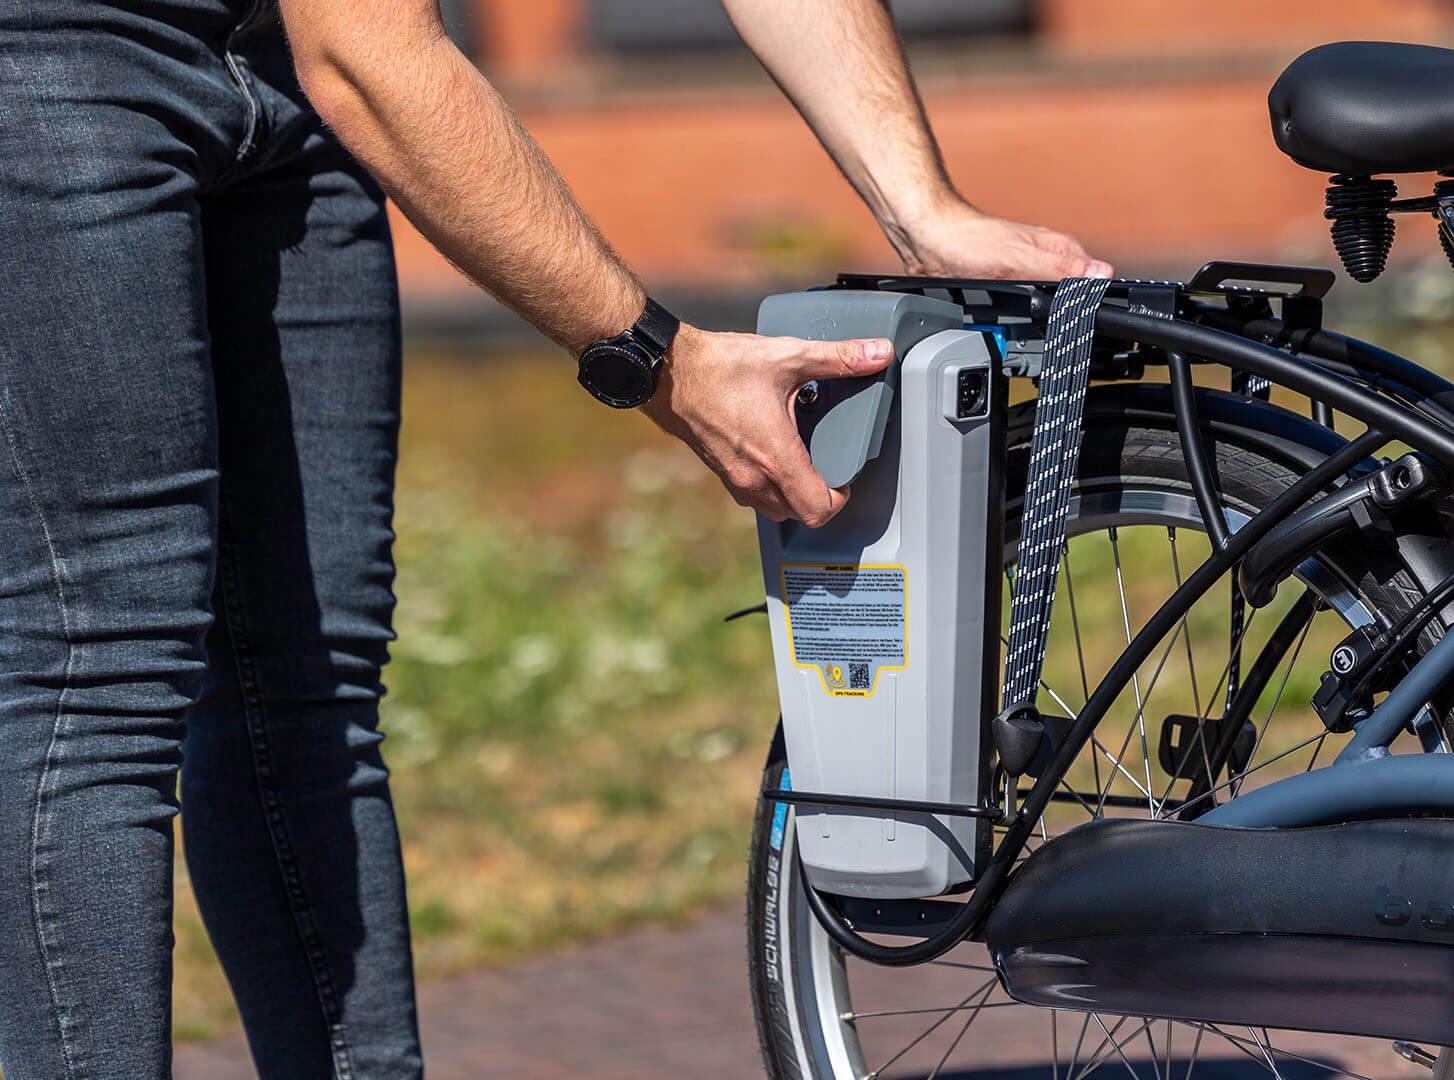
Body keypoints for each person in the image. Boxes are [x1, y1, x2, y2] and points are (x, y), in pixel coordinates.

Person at [0, 0, 1108, 1075]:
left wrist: (921, 202)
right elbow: (369, 51)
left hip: (290, 82)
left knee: (304, 683)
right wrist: (663, 366)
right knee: (100, 668)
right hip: (65, 49)